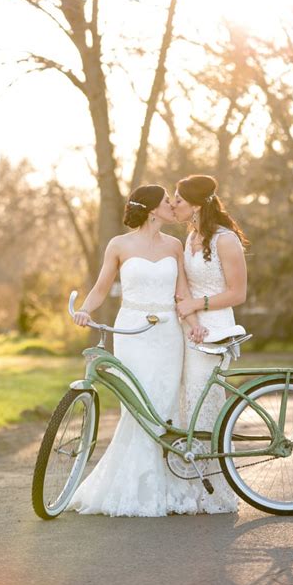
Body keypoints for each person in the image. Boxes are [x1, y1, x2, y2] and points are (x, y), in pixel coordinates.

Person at [67, 184, 206, 517]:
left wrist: (194, 325)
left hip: (168, 333)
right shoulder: (119, 244)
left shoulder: (175, 246)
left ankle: (165, 483)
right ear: (152, 209)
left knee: (164, 402)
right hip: (131, 330)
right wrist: (85, 310)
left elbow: (182, 293)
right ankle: (135, 486)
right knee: (137, 404)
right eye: (166, 202)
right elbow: (101, 287)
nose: (173, 206)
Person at [173, 174, 248, 513]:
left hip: (215, 328)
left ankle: (213, 491)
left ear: (196, 204)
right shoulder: (190, 236)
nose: (173, 203)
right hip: (187, 328)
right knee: (186, 401)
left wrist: (198, 307)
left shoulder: (225, 240)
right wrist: (187, 314)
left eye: (178, 198)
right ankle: (188, 486)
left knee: (206, 403)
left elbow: (238, 293)